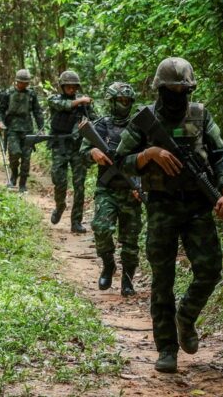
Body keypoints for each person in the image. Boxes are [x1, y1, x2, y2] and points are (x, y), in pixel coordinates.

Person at [112, 57, 223, 374]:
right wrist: (149, 154)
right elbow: (120, 161)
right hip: (161, 206)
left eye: (183, 89)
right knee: (162, 280)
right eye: (171, 89)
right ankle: (166, 349)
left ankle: (186, 317)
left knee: (210, 269)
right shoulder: (145, 120)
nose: (177, 95)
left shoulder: (200, 115)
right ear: (159, 89)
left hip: (197, 205)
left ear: (190, 89)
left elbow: (220, 156)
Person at [82, 82, 142, 295]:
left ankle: (127, 280)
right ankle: (108, 264)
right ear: (112, 102)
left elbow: (148, 159)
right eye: (120, 100)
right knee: (101, 227)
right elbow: (83, 152)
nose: (124, 104)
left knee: (130, 238)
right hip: (106, 188)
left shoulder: (139, 126)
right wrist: (92, 154)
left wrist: (141, 185)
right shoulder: (101, 125)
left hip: (131, 189)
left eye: (127, 101)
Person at [47, 70, 96, 233]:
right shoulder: (54, 99)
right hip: (60, 146)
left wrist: (87, 108)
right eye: (68, 87)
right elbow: (64, 105)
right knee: (59, 182)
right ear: (62, 87)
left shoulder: (84, 104)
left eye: (74, 87)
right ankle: (60, 206)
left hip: (77, 148)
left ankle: (76, 221)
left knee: (79, 185)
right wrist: (81, 100)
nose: (72, 90)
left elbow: (96, 121)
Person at [0, 69, 44, 192]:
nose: (24, 85)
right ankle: (13, 175)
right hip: (12, 129)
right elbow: (0, 110)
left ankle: (23, 183)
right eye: (21, 82)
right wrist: (0, 122)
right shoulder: (8, 93)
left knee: (26, 158)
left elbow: (37, 112)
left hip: (27, 130)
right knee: (14, 154)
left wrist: (41, 128)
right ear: (16, 82)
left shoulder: (31, 95)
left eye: (26, 83)